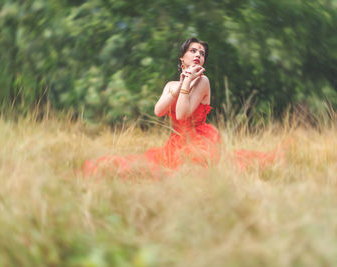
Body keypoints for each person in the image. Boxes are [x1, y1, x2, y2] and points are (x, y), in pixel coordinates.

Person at [83, 38, 277, 177]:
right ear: (182, 59)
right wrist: (179, 86)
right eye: (193, 51)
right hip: (176, 140)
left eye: (202, 53)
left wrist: (187, 83)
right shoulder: (170, 85)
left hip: (200, 139)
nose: (198, 55)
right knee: (147, 167)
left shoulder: (203, 82)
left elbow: (182, 115)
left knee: (191, 172)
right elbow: (158, 111)